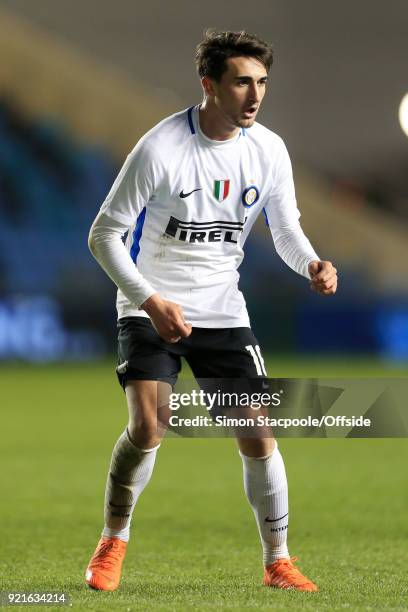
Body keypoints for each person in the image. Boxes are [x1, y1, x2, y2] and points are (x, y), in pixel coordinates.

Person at [85, 29, 337, 594]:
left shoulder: (268, 149)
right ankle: (112, 540)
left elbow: (286, 228)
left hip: (223, 309)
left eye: (262, 83)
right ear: (210, 85)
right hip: (149, 301)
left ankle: (278, 561)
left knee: (258, 431)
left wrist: (313, 263)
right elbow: (105, 234)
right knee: (150, 427)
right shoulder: (161, 148)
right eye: (242, 82)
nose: (255, 95)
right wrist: (150, 301)